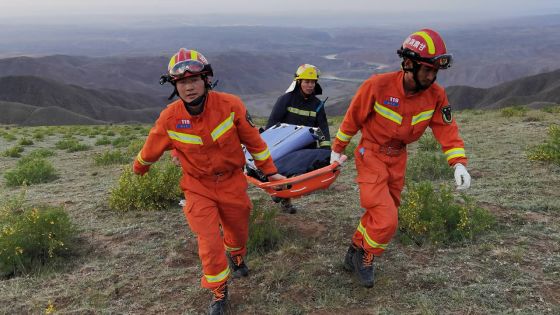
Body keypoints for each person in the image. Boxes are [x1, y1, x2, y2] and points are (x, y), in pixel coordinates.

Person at [133, 48, 285, 315]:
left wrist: (271, 172)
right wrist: (139, 168)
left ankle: (237, 256)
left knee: (237, 232)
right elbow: (151, 147)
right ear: (174, 86)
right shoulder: (170, 117)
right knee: (209, 240)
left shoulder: (230, 105)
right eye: (181, 82)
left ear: (206, 80)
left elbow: (255, 143)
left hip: (232, 182)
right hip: (197, 187)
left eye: (193, 80)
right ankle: (218, 292)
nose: (188, 87)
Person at [330, 29, 472, 288]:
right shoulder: (377, 85)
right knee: (386, 219)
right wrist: (337, 149)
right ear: (409, 64)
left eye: (435, 71)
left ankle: (354, 249)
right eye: (427, 70)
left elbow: (446, 129)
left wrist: (458, 162)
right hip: (370, 154)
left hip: (398, 159)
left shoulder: (436, 95)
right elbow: (353, 118)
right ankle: (366, 257)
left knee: (381, 213)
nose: (431, 76)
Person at [265, 64, 331, 214]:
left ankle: (284, 197)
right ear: (299, 82)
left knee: (296, 173)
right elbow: (272, 124)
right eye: (306, 82)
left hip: (306, 147)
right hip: (285, 145)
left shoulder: (317, 105)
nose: (310, 85)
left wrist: (326, 150)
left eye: (313, 82)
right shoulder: (286, 100)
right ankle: (283, 198)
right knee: (283, 172)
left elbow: (323, 129)